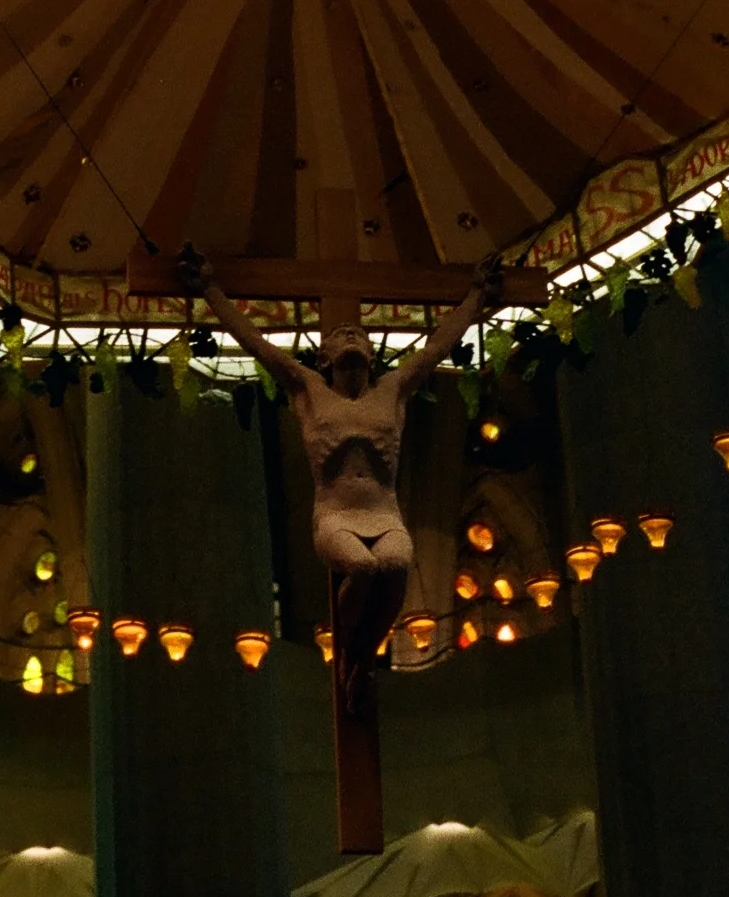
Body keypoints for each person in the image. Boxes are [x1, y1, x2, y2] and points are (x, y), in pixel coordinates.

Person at [183, 252, 495, 696]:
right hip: (336, 515)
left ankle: (360, 661)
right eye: (340, 335)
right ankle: (354, 656)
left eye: (358, 334)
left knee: (396, 561)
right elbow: (257, 344)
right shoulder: (308, 389)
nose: (351, 335)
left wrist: (477, 296)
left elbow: (437, 348)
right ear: (324, 357)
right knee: (365, 568)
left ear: (371, 353)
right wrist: (211, 292)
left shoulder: (393, 390)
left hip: (384, 514)